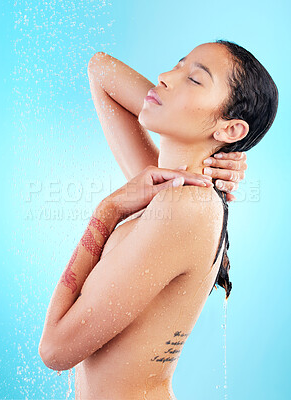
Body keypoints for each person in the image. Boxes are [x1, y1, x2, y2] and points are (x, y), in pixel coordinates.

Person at [39, 40, 278, 400]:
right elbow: (100, 69)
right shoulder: (170, 194)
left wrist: (108, 211)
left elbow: (55, 351)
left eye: (195, 80)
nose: (165, 77)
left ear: (231, 129)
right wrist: (216, 137)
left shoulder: (187, 209)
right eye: (177, 65)